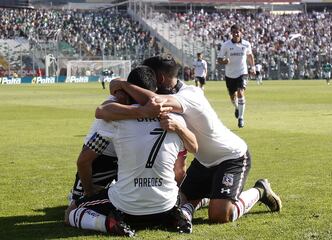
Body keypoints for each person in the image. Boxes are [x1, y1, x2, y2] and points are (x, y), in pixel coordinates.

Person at [100, 54, 282, 231]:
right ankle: (210, 195)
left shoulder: (189, 94)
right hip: (204, 161)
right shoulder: (175, 96)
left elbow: (153, 102)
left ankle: (260, 190)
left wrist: (125, 85)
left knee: (219, 216)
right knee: (178, 203)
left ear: (160, 78)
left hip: (230, 157)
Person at [65, 65, 198, 236]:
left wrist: (89, 193)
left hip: (127, 205)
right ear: (156, 89)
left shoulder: (114, 120)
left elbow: (84, 159)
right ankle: (180, 215)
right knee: (184, 198)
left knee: (72, 211)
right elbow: (190, 154)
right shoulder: (176, 119)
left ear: (127, 91)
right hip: (165, 203)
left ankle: (108, 224)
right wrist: (179, 129)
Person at [217, 24, 256, 128]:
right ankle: (237, 107)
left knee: (240, 92)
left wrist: (253, 67)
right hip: (230, 74)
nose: (236, 33)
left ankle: (241, 118)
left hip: (242, 73)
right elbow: (219, 59)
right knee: (232, 96)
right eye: (234, 32)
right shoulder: (226, 45)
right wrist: (224, 61)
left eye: (238, 31)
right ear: (231, 33)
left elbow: (250, 55)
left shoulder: (246, 44)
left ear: (241, 32)